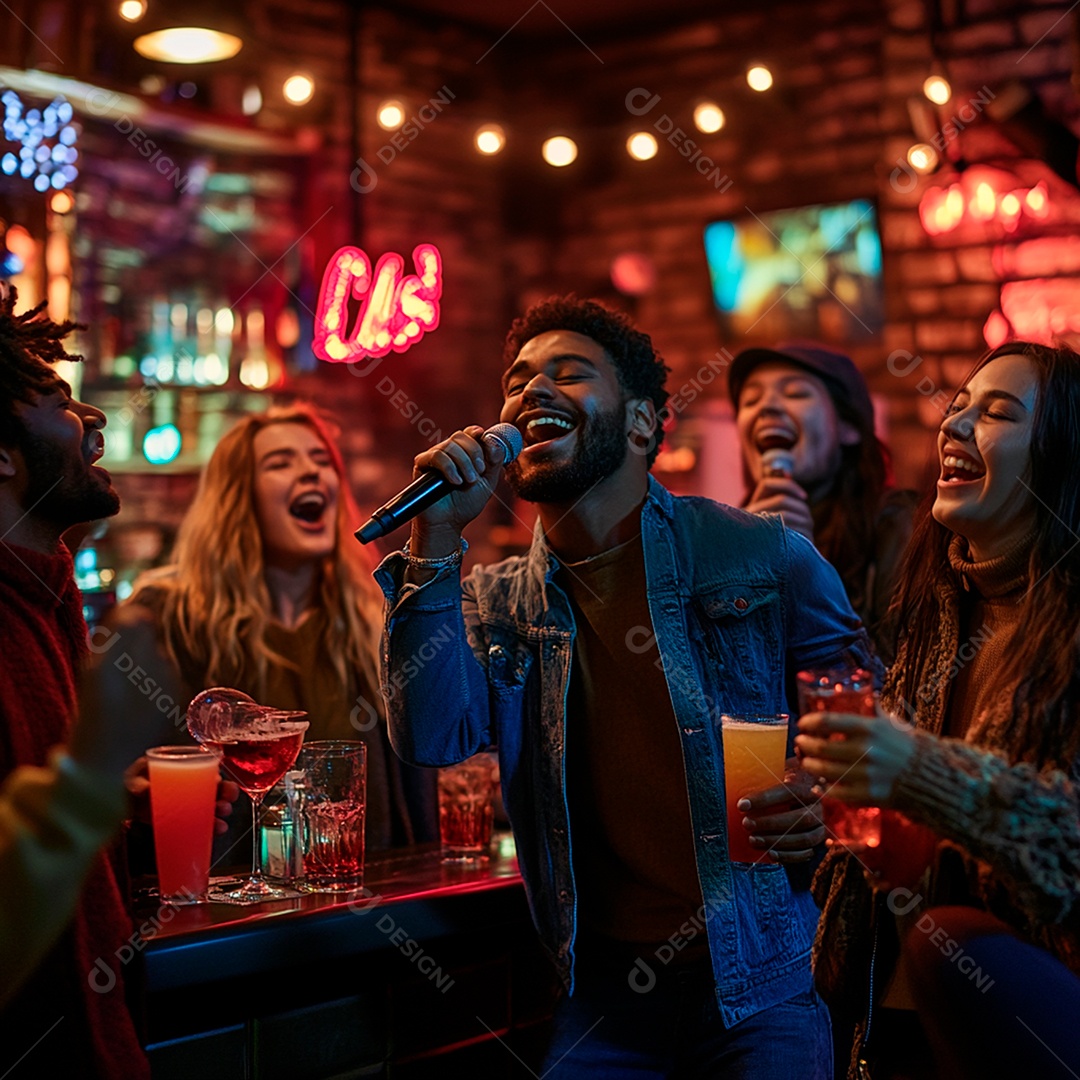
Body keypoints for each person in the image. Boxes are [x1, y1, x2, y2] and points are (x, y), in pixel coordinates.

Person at [376, 296, 879, 1078]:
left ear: (643, 423)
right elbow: (432, 735)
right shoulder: (495, 599)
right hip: (600, 996)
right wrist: (436, 538)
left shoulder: (760, 554)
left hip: (757, 984)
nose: (531, 392)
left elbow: (867, 717)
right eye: (518, 381)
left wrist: (822, 791)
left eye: (568, 373)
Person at [797, 342, 1080, 1079]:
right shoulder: (935, 617)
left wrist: (920, 770)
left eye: (997, 414)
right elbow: (891, 854)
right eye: (957, 409)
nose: (954, 427)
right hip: (892, 1016)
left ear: (1062, 453)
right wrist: (816, 822)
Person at [117, 403, 435, 854]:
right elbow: (113, 777)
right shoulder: (167, 617)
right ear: (237, 496)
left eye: (321, 460)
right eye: (280, 463)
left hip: (358, 904)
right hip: (222, 916)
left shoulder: (371, 616)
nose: (311, 472)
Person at [0, 284, 151, 1076]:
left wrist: (124, 805)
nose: (92, 419)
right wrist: (95, 771)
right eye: (61, 402)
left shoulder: (42, 591)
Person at [730, 343, 916, 662]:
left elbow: (897, 675)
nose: (767, 407)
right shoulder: (726, 537)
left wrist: (805, 571)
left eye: (796, 394)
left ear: (849, 427)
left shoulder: (897, 523)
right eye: (750, 400)